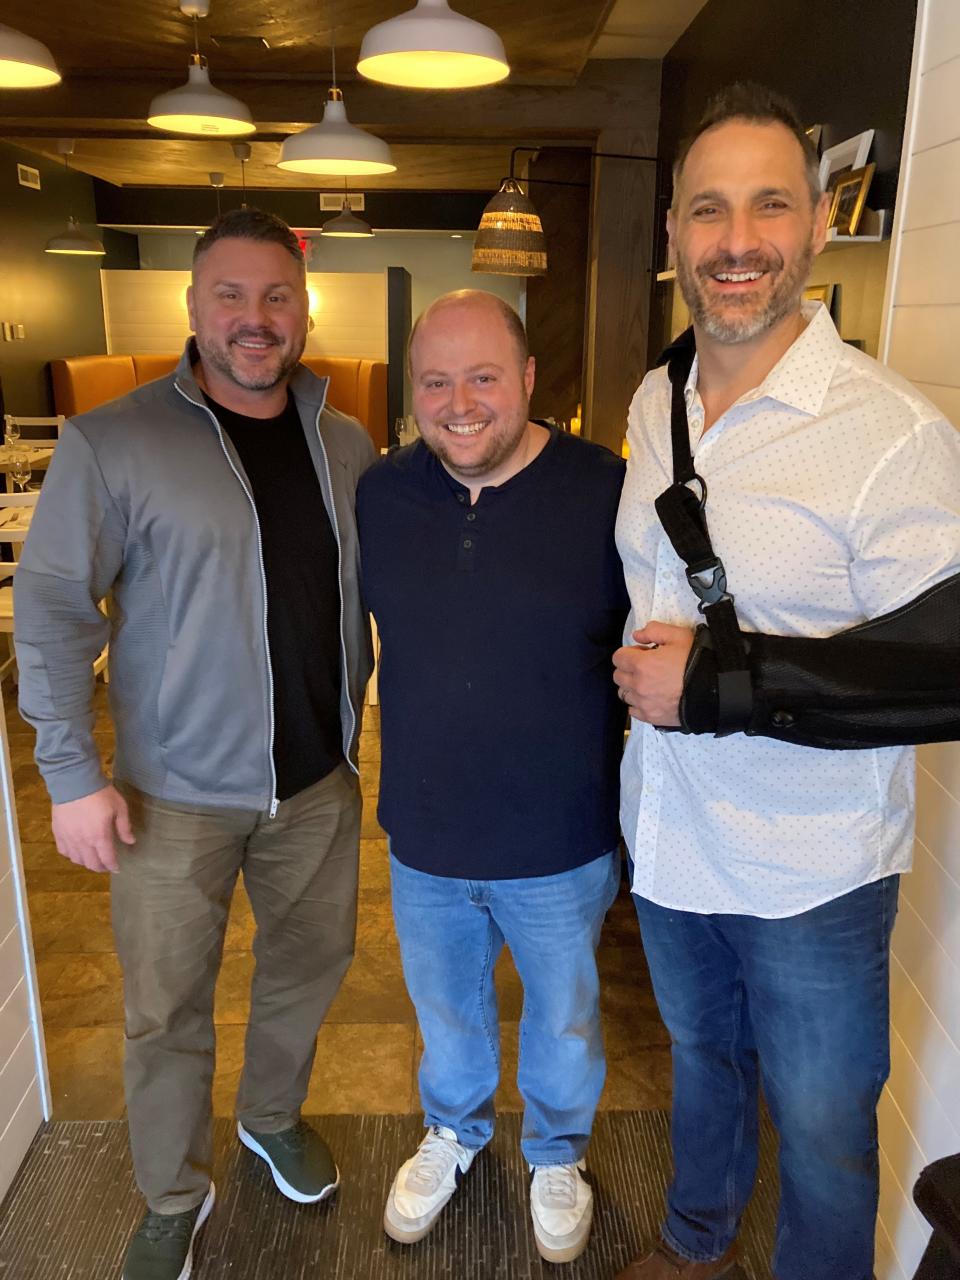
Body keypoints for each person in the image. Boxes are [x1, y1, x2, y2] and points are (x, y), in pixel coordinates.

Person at [612, 83, 960, 1280]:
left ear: (817, 223)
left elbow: (949, 664)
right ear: (674, 235)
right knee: (704, 1060)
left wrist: (722, 685)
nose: (737, 240)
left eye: (770, 205)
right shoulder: (654, 401)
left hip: (813, 867)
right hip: (669, 837)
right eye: (708, 210)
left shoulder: (892, 434)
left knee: (821, 1131)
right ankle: (698, 1244)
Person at [14, 208, 376, 1280]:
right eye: (232, 295)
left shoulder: (344, 437)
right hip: (173, 796)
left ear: (303, 310)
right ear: (193, 308)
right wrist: (72, 775)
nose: (256, 319)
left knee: (307, 969)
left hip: (318, 781)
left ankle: (270, 1116)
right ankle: (172, 1189)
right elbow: (51, 609)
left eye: (276, 297)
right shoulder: (112, 440)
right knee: (165, 1005)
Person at [356, 290, 629, 1264]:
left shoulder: (607, 487)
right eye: (436, 380)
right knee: (446, 1014)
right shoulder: (382, 494)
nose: (458, 401)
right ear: (413, 394)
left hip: (559, 837)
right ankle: (457, 1132)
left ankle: (557, 1152)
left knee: (563, 1017)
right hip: (426, 831)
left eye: (482, 376)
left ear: (526, 378)